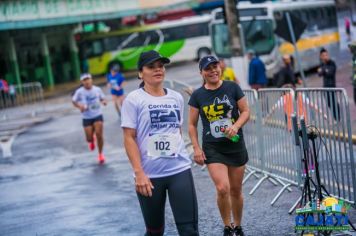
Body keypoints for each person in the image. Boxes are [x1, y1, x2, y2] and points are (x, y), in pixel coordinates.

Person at [121, 50, 199, 236]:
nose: (158, 70)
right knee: (155, 231)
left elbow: (176, 131)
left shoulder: (176, 97)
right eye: (151, 67)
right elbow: (129, 137)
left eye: (161, 66)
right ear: (141, 73)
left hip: (179, 170)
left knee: (189, 231)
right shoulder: (134, 99)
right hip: (150, 176)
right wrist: (139, 173)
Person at [188, 55, 250, 236]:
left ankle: (238, 225)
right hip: (213, 147)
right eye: (208, 68)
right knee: (223, 188)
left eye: (215, 66)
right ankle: (227, 226)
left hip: (235, 145)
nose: (213, 70)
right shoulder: (198, 95)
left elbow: (246, 111)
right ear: (202, 72)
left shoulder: (232, 87)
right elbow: (191, 125)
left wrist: (236, 126)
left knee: (236, 189)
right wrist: (196, 148)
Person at [72, 73, 107, 164]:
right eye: (84, 80)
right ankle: (91, 140)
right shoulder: (79, 91)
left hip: (97, 115)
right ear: (82, 82)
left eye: (88, 79)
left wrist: (103, 101)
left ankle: (100, 154)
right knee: (89, 138)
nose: (87, 81)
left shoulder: (97, 89)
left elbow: (102, 98)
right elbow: (74, 101)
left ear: (91, 80)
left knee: (99, 134)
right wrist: (80, 107)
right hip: (86, 117)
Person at [317, 48, 340, 121]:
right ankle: (335, 118)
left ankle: (338, 118)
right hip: (325, 87)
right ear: (321, 56)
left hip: (332, 86)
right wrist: (324, 70)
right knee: (329, 104)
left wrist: (323, 70)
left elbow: (330, 73)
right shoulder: (322, 64)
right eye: (323, 55)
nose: (325, 57)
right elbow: (319, 74)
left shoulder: (331, 63)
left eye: (326, 55)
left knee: (334, 103)